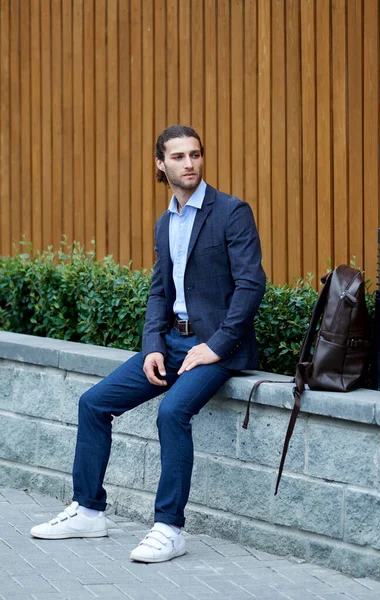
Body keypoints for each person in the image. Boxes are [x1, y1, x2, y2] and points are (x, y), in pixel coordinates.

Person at [30, 125, 266, 563]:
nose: (189, 163)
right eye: (178, 157)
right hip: (172, 345)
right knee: (93, 403)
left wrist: (217, 346)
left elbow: (252, 285)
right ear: (161, 164)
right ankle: (88, 511)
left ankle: (169, 528)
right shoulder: (166, 222)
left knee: (173, 412)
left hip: (214, 348)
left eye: (195, 154)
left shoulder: (231, 212)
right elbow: (160, 291)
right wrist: (152, 345)